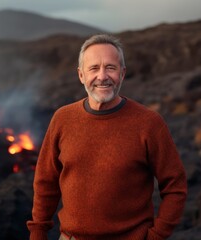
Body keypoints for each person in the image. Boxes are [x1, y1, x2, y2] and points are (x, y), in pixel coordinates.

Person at [27, 34, 187, 240]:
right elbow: (45, 182)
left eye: (110, 67)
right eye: (94, 68)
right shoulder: (62, 119)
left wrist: (157, 235)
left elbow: (175, 185)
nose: (102, 76)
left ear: (122, 73)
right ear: (81, 75)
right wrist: (38, 232)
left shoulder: (149, 123)